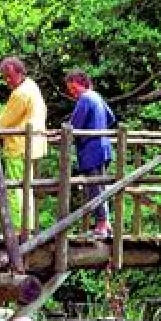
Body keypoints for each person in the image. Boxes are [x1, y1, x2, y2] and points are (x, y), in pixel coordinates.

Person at [0, 56, 48, 232]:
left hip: (19, 146)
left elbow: (4, 122)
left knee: (15, 188)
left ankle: (19, 228)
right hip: (33, 144)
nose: (7, 80)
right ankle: (27, 226)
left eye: (9, 76)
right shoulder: (32, 86)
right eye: (4, 77)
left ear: (19, 72)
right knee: (26, 186)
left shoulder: (20, 93)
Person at [66, 69, 117, 238]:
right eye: (70, 90)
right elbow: (110, 118)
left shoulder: (85, 99)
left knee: (95, 188)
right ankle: (106, 224)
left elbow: (73, 126)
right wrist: (98, 127)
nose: (72, 93)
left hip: (91, 150)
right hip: (104, 147)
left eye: (74, 88)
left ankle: (102, 225)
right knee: (101, 186)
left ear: (82, 84)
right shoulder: (97, 96)